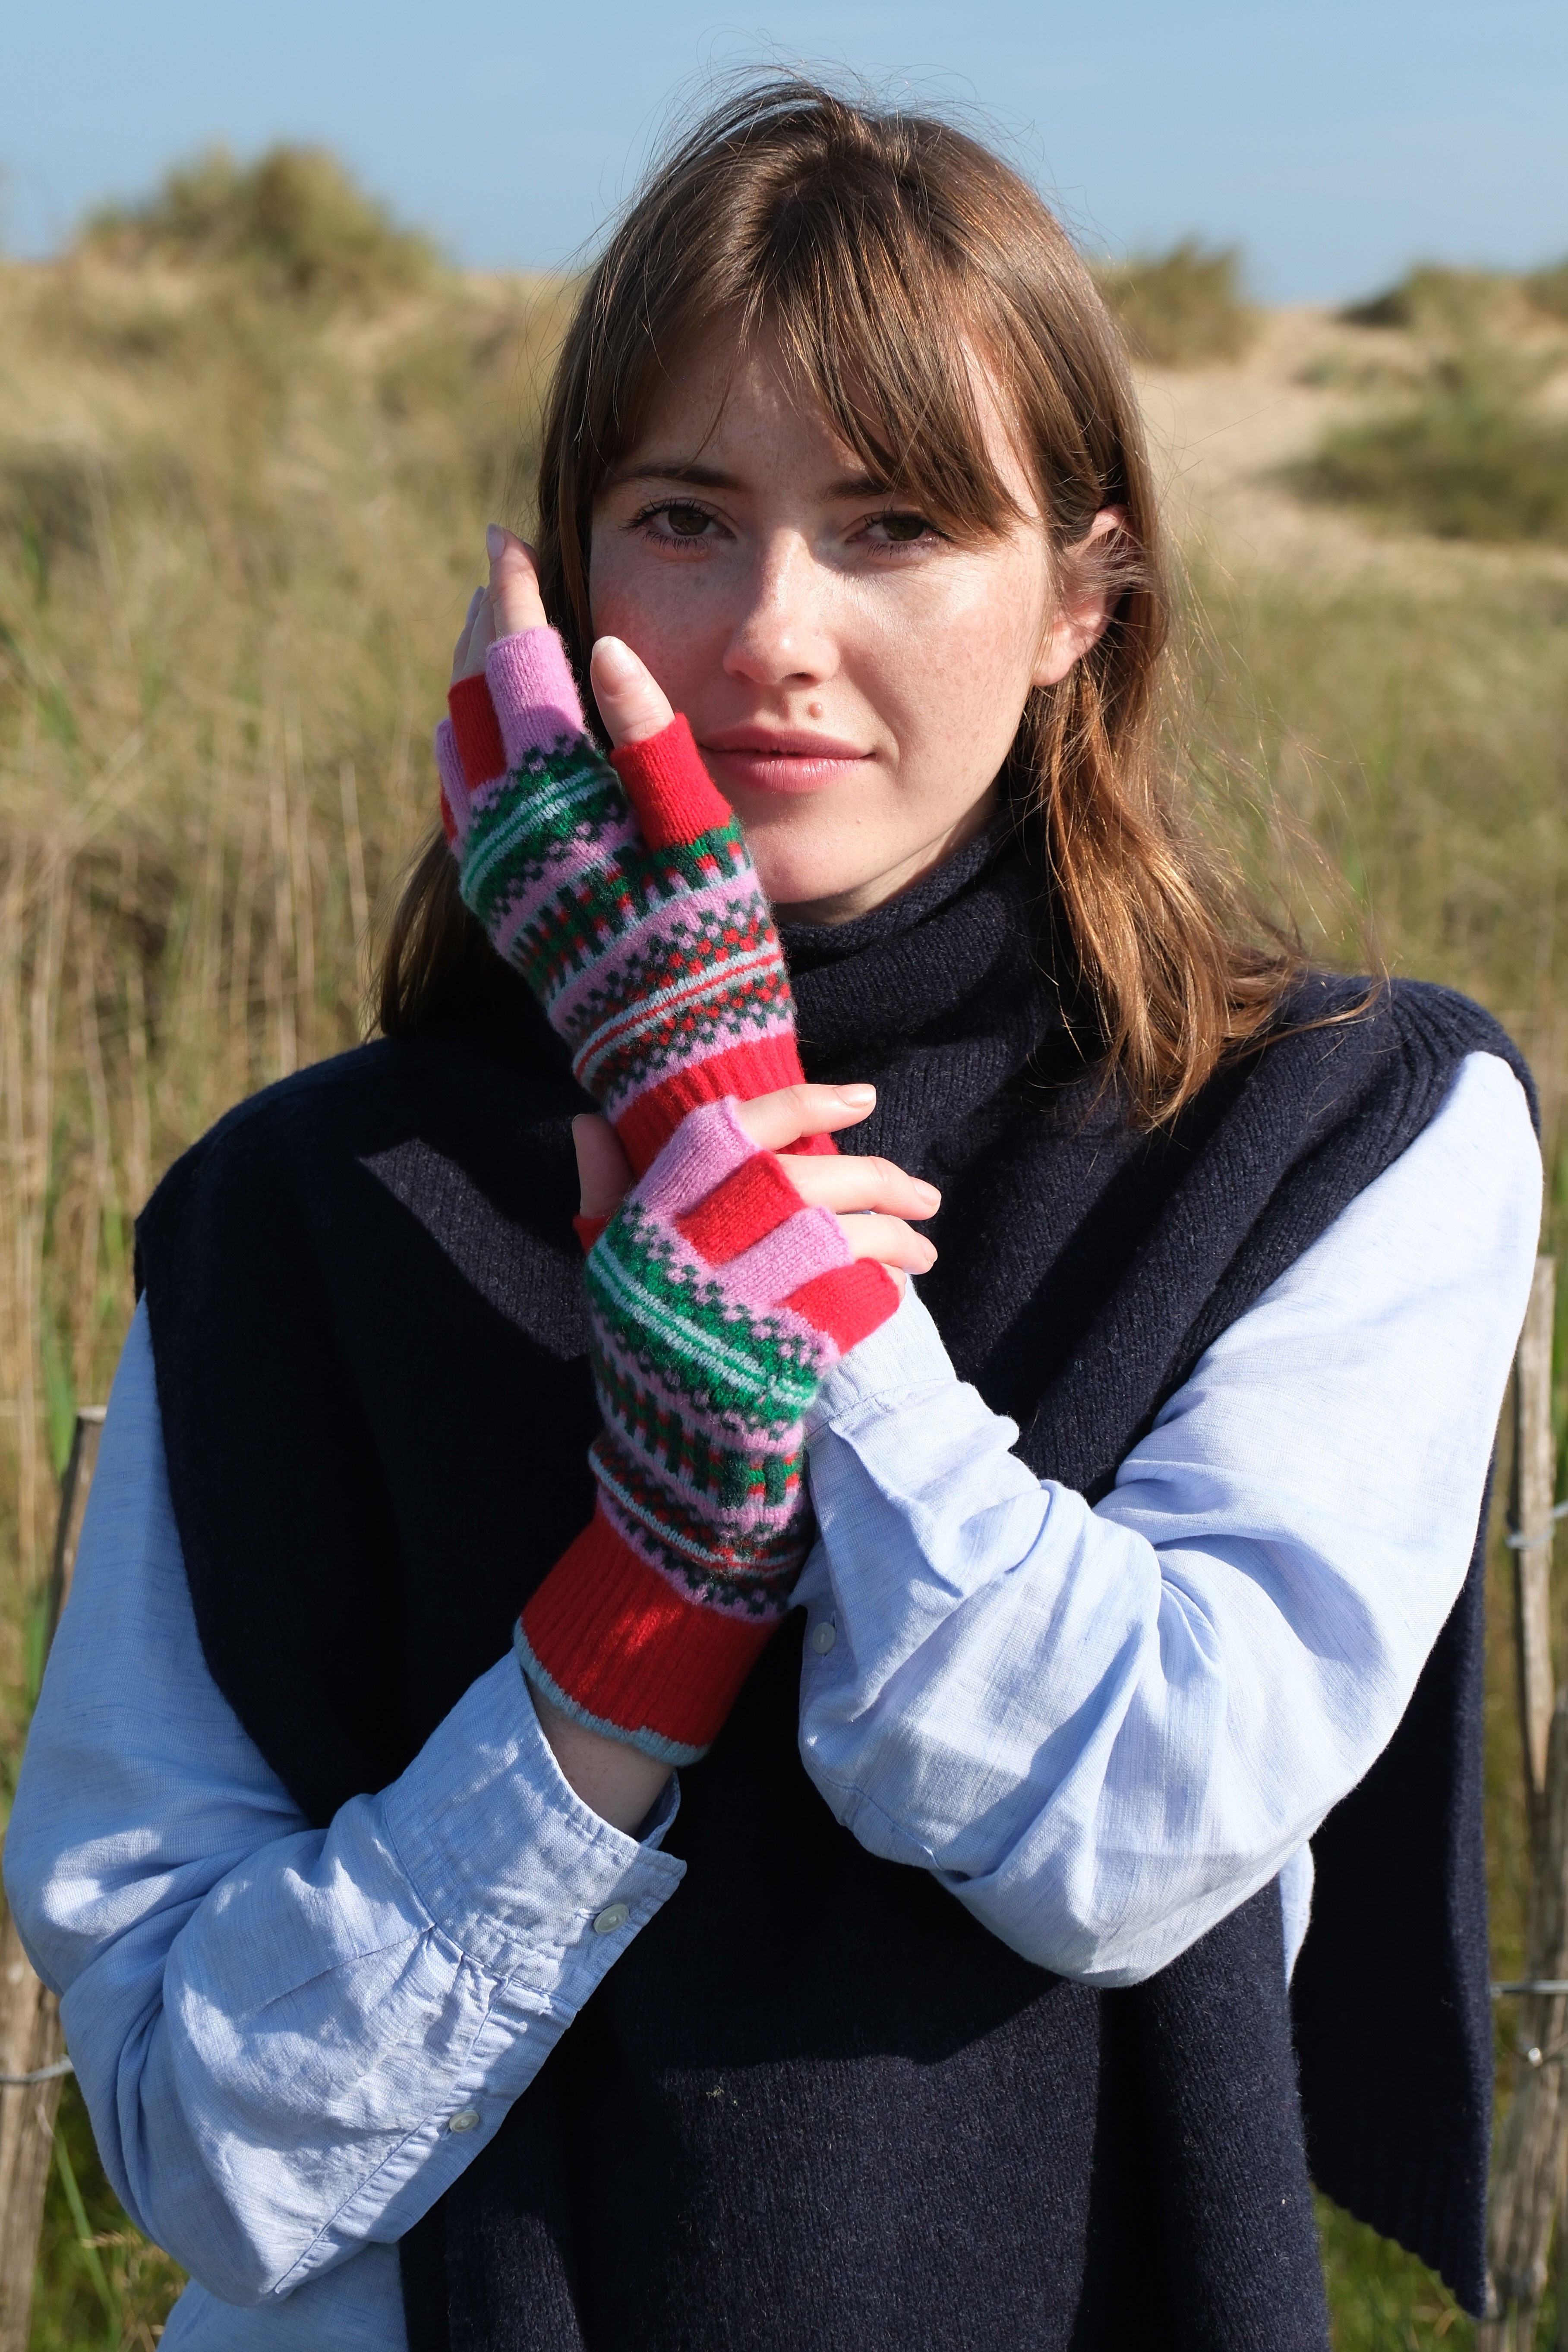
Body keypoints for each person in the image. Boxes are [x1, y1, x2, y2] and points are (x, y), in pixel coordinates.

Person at [3, 80, 1541, 2352]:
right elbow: (205, 2139)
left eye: (897, 523)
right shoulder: (305, 1208)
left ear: (1079, 600)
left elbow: (1128, 1832)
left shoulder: (1334, 1127)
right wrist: (639, 1614)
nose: (774, 632)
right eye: (686, 517)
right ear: (565, 572)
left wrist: (738, 1170)